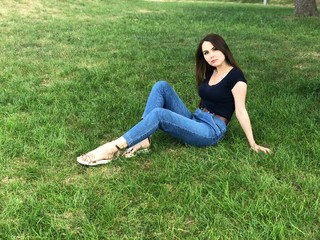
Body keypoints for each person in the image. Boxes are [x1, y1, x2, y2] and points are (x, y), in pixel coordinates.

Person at [77, 33, 271, 166]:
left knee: (160, 114)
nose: (211, 55)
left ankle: (112, 148)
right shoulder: (211, 72)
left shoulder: (236, 78)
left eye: (214, 49)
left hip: (211, 130)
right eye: (206, 53)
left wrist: (253, 144)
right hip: (196, 118)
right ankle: (144, 139)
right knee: (161, 86)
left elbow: (241, 111)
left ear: (224, 49)